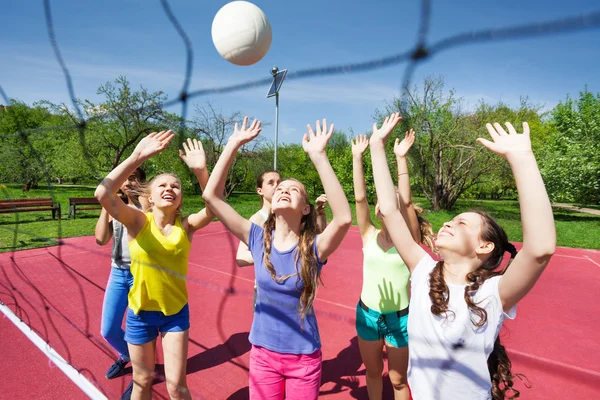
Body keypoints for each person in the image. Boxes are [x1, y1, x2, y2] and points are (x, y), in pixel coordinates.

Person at [369, 113, 555, 400]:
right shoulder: (423, 271)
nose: (447, 223)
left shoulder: (494, 293)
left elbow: (540, 248)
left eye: (461, 223)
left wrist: (522, 159)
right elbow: (391, 211)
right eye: (451, 220)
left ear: (485, 247)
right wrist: (377, 147)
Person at [202, 117, 352, 400]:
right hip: (262, 355)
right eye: (280, 188)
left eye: (292, 189)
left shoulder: (313, 247)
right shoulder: (258, 238)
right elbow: (211, 196)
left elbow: (343, 218)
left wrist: (319, 156)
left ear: (305, 209)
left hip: (303, 359)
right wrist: (233, 144)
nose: (283, 189)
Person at [95, 132, 214, 400]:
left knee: (176, 386)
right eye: (162, 185)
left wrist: (201, 171)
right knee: (143, 381)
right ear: (149, 194)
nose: (170, 188)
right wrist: (137, 157)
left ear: (181, 197)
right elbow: (103, 193)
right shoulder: (137, 221)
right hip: (140, 314)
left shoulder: (187, 225)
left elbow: (215, 207)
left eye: (176, 186)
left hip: (175, 314)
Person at [351, 130, 432, 400]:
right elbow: (360, 198)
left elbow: (406, 201)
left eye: (390, 201)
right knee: (373, 373)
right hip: (368, 316)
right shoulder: (367, 234)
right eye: (381, 202)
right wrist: (356, 158)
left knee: (398, 380)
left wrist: (400, 159)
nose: (383, 205)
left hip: (400, 319)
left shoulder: (409, 240)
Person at [236, 171, 328, 308]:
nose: (277, 186)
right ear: (259, 191)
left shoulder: (292, 214)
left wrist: (320, 213)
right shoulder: (257, 219)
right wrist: (276, 253)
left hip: (295, 285)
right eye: (271, 183)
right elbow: (240, 257)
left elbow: (317, 235)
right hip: (269, 288)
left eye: (279, 182)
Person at [95, 167, 148, 381]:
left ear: (143, 183)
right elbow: (100, 239)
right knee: (108, 330)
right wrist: (105, 205)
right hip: (117, 273)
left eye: (134, 179)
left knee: (140, 331)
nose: (128, 183)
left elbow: (148, 221)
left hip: (141, 274)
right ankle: (128, 355)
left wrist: (141, 195)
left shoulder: (149, 206)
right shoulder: (115, 206)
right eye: (124, 179)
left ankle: (141, 374)